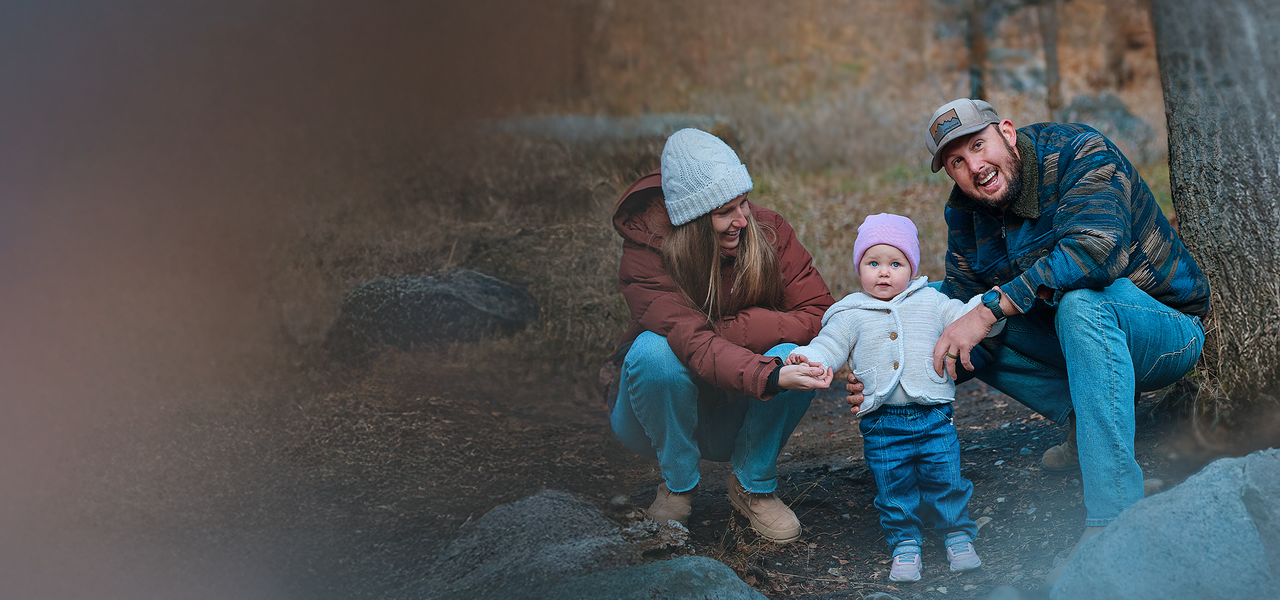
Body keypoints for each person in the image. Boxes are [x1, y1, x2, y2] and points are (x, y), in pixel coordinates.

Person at [847, 98, 1210, 585]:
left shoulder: (1081, 152)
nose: (975, 167)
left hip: (1163, 329)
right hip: (1073, 338)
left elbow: (1095, 252)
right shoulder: (965, 210)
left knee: (1076, 302)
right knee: (938, 311)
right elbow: (952, 305)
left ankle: (1114, 520)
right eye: (957, 161)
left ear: (1008, 133)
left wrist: (991, 307)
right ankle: (1090, 426)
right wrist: (882, 376)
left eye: (979, 145)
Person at [609, 128, 835, 542]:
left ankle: (753, 487)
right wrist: (768, 373)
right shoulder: (646, 253)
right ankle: (677, 486)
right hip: (658, 411)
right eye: (724, 212)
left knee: (798, 352)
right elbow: (691, 342)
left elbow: (821, 312)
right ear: (692, 220)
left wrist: (740, 331)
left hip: (737, 407)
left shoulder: (767, 231)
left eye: (743, 202)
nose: (742, 219)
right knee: (652, 351)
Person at [787, 213, 987, 582]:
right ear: (858, 267)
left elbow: (965, 318)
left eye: (895, 264)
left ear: (911, 267)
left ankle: (956, 533)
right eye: (873, 263)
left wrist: (986, 308)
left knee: (946, 478)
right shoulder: (850, 312)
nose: (883, 272)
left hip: (933, 414)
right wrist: (811, 358)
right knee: (892, 484)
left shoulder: (933, 301)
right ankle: (905, 542)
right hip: (881, 421)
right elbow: (829, 344)